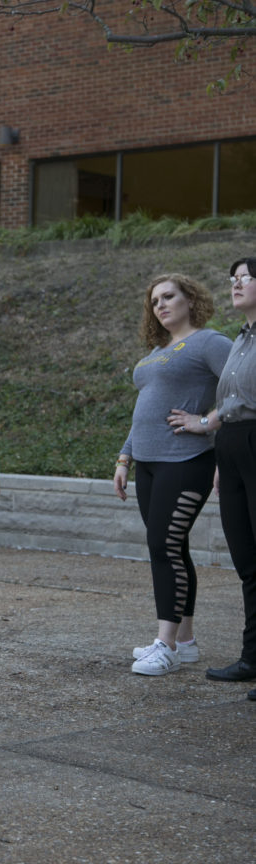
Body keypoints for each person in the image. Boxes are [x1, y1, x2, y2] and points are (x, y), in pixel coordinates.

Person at [114, 273, 232, 676]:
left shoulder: (210, 342)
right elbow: (147, 407)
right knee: (174, 547)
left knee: (163, 547)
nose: (160, 305)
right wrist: (124, 458)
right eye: (154, 301)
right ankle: (185, 643)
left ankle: (164, 646)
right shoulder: (158, 351)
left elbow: (243, 388)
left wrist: (206, 420)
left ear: (190, 299)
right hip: (147, 463)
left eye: (168, 297)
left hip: (186, 462)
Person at [205, 257, 256, 700]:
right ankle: (252, 658)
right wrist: (222, 454)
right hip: (234, 447)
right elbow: (231, 403)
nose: (236, 284)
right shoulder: (241, 338)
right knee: (248, 562)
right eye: (233, 278)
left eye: (245, 278)